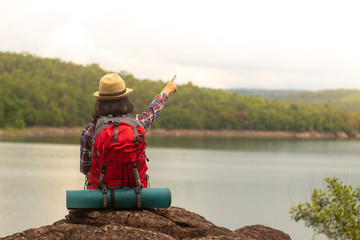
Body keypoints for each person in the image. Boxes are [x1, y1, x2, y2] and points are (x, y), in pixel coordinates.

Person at [80, 73, 177, 188]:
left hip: (100, 194)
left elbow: (85, 168)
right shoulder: (136, 123)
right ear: (125, 100)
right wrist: (166, 91)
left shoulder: (90, 130)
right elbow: (153, 109)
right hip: (135, 194)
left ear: (100, 101)